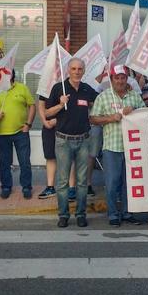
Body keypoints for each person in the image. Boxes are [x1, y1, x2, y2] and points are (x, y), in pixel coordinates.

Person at [90, 65, 146, 226]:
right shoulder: (104, 97)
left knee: (129, 183)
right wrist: (109, 118)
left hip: (132, 147)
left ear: (127, 78)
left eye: (123, 77)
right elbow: (93, 119)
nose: (120, 81)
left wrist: (134, 110)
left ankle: (128, 212)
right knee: (112, 182)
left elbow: (146, 114)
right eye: (117, 78)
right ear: (111, 79)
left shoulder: (134, 96)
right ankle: (113, 214)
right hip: (112, 147)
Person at [45, 58, 98, 228]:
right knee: (62, 182)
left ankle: (81, 214)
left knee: (82, 181)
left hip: (83, 140)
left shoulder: (86, 88)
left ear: (83, 71)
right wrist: (60, 104)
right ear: (68, 70)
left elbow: (100, 101)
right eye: (73, 68)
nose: (76, 71)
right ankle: (63, 215)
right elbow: (47, 113)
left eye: (80, 69)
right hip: (63, 141)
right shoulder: (58, 88)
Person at [0, 70, 36, 200]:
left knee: (24, 161)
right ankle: (6, 187)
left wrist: (28, 124)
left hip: (20, 132)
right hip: (1, 133)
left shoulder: (22, 88)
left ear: (12, 75)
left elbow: (32, 106)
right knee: (4, 162)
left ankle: (26, 187)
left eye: (7, 73)